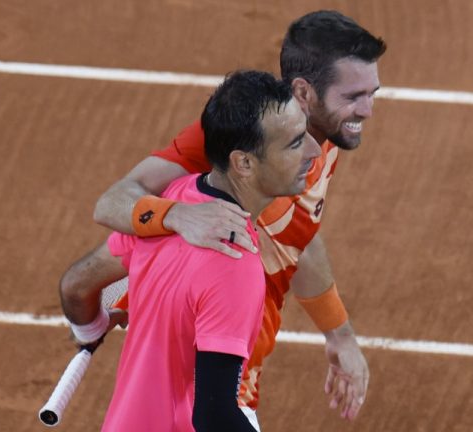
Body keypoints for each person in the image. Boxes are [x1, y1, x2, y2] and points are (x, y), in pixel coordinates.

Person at [92, 10, 386, 423]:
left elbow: (298, 232)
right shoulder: (242, 137)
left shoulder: (320, 139)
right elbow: (112, 203)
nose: (368, 110)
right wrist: (177, 216)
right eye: (354, 97)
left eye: (373, 93)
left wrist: (339, 333)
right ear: (304, 92)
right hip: (211, 368)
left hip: (235, 350)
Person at [60, 70, 321, 431]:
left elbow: (75, 286)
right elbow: (213, 415)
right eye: (294, 143)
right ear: (243, 163)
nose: (313, 150)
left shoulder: (173, 198)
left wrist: (90, 330)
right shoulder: (236, 261)